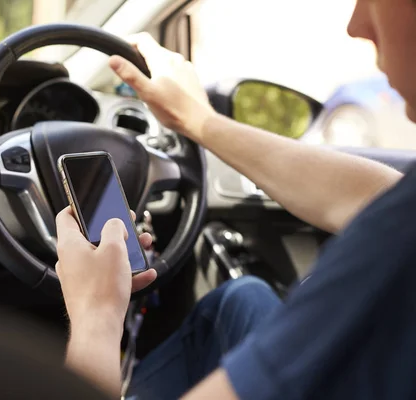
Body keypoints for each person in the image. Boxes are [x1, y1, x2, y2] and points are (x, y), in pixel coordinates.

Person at [56, 0, 416, 399]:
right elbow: (378, 195)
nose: (356, 24)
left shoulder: (399, 245)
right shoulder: (401, 216)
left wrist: (98, 317)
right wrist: (198, 120)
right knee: (241, 298)